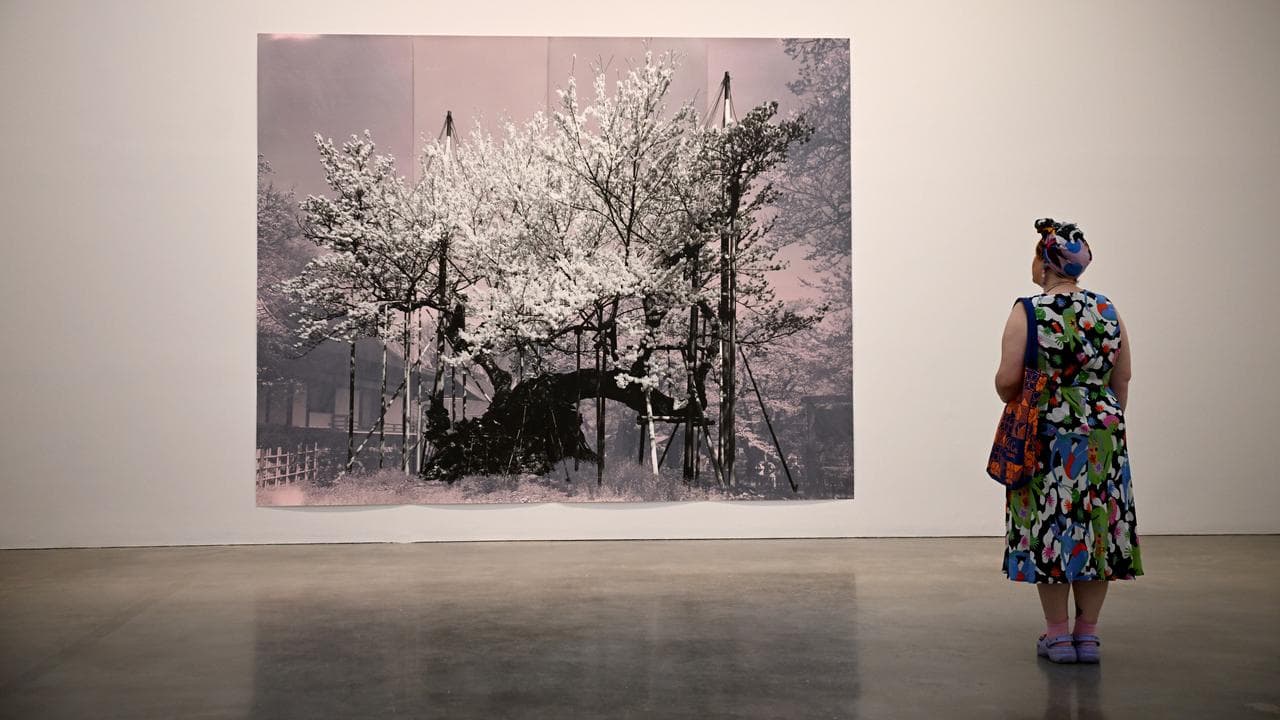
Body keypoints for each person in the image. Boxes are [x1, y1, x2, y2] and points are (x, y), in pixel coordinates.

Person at [994, 218, 1144, 664]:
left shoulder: (1029, 311)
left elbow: (1007, 382)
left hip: (1047, 433)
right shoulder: (1108, 310)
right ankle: (1088, 636)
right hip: (1103, 433)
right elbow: (1123, 377)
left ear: (1045, 263)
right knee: (1098, 529)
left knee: (1052, 527)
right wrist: (1102, 419)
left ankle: (1058, 636)